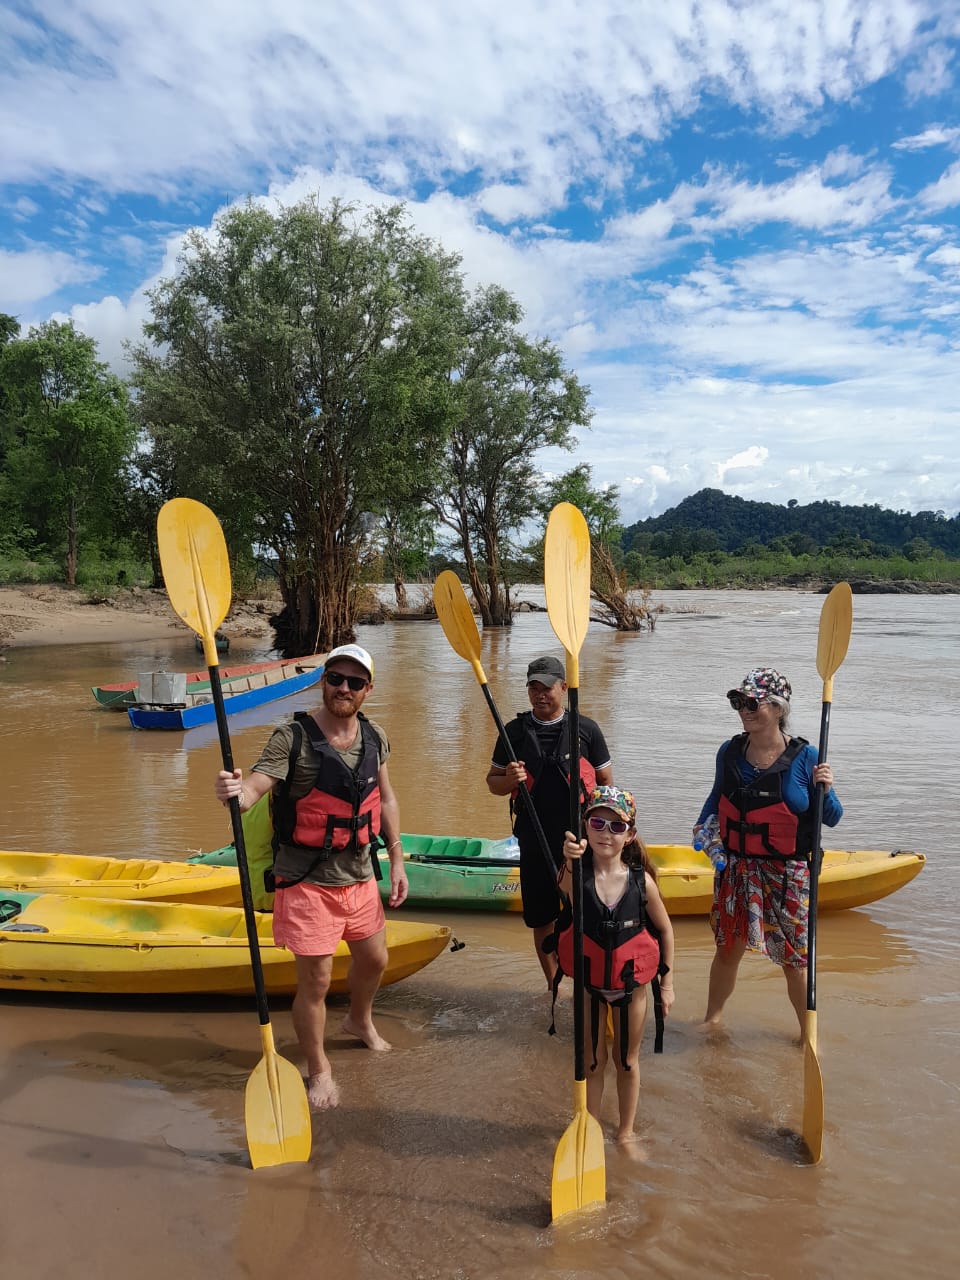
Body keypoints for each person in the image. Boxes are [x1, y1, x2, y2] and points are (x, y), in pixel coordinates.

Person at [214, 643, 408, 1111]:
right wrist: (234, 794)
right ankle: (318, 1068)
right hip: (306, 880)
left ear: (367, 690)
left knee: (375, 959)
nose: (344, 688)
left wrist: (397, 858)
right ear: (323, 681)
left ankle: (359, 1021)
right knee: (316, 982)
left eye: (354, 682)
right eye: (335, 679)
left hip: (360, 873)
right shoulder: (291, 737)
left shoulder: (375, 736)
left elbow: (386, 799)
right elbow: (256, 788)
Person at [698, 667, 842, 1036]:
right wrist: (703, 832)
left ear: (777, 709)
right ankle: (712, 1020)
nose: (743, 709)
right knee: (727, 948)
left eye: (752, 702)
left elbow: (832, 818)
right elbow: (715, 800)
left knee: (794, 959)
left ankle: (806, 1035)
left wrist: (824, 786)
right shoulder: (729, 751)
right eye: (737, 702)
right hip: (735, 867)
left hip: (787, 872)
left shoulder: (807, 757)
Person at [485, 655, 613, 987]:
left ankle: (591, 978)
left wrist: (613, 836)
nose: (540, 694)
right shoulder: (512, 732)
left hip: (580, 842)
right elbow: (493, 784)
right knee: (542, 919)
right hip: (533, 838)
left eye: (547, 688)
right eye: (533, 687)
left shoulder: (586, 730)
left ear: (564, 687)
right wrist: (510, 779)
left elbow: (607, 788)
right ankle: (555, 984)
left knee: (588, 913)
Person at [559, 786, 675, 1148]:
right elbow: (562, 888)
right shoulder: (576, 875)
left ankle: (626, 1132)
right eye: (597, 823)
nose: (605, 833)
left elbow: (666, 930)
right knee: (592, 1062)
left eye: (616, 826)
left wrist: (667, 984)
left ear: (630, 835)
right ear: (585, 828)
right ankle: (591, 1128)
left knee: (625, 1061)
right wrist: (568, 857)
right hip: (590, 986)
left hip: (630, 989)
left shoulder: (643, 883)